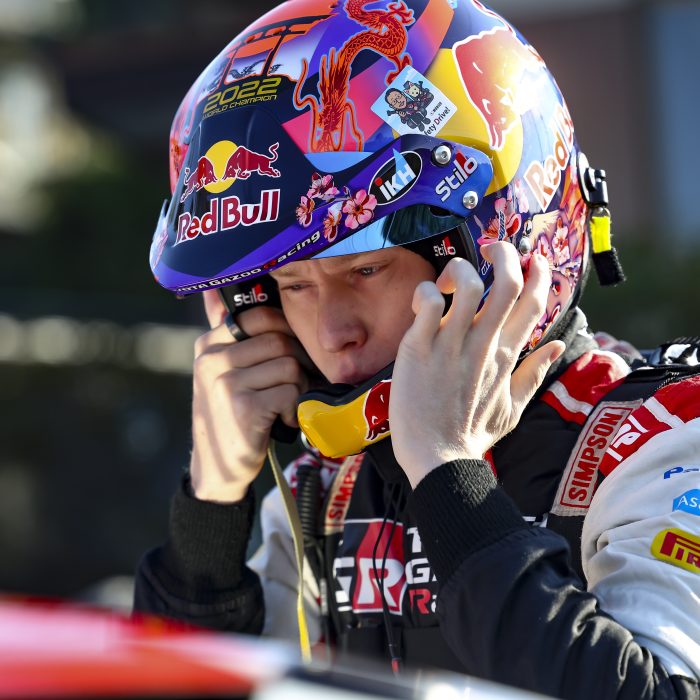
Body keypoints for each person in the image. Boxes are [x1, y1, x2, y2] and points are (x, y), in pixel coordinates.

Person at [136, 1, 700, 697]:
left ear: (494, 247)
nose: (332, 331)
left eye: (366, 269)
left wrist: (446, 470)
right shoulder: (327, 487)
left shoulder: (662, 440)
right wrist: (211, 513)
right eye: (293, 286)